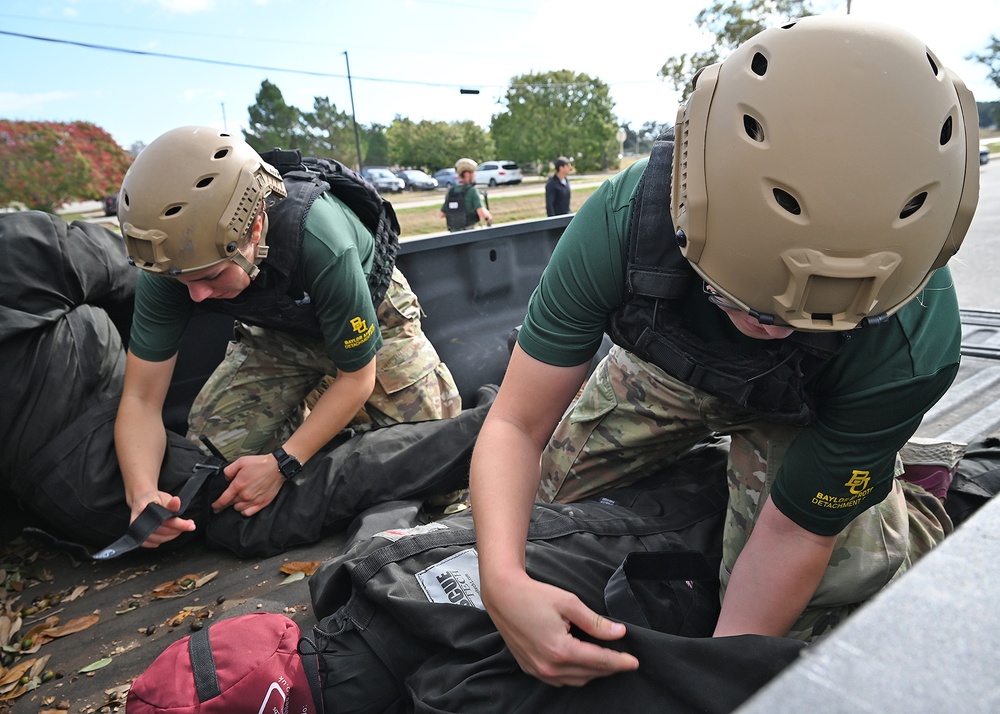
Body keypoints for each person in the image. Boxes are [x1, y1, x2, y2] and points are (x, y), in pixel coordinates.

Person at [469, 15, 980, 687]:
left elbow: (796, 535)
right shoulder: (623, 225)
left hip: (815, 407)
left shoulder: (913, 344)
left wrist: (710, 676)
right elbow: (515, 423)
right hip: (669, 372)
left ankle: (905, 508)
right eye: (745, 303)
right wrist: (503, 583)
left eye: (816, 322)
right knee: (544, 513)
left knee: (836, 591)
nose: (773, 332)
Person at [115, 126, 461, 548]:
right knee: (215, 463)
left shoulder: (321, 239)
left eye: (211, 277)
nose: (198, 296)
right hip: (278, 332)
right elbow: (140, 399)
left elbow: (357, 377)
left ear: (255, 226)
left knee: (440, 465)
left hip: (372, 320)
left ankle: (324, 425)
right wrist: (142, 494)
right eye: (183, 281)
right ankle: (320, 422)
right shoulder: (171, 261)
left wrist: (283, 464)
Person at [439, 157, 492, 231]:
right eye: (473, 173)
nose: (475, 175)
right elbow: (482, 213)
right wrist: (488, 215)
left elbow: (442, 214)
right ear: (467, 174)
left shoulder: (451, 192)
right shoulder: (472, 191)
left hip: (453, 235)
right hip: (469, 233)